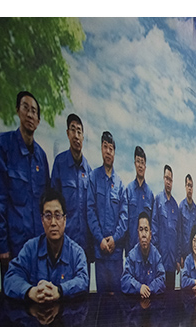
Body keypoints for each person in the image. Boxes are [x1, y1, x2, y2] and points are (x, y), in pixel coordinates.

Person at [0, 90, 50, 276]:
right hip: (13, 247)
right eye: (26, 108)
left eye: (34, 111)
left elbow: (46, 204)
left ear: (38, 121)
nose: (30, 115)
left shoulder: (41, 157)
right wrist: (1, 245)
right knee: (14, 292)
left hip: (39, 248)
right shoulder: (4, 144)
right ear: (18, 110)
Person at [3, 189, 89, 301]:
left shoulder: (76, 252)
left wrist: (60, 291)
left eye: (57, 215)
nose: (53, 223)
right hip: (36, 310)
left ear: (64, 220)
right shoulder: (30, 249)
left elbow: (83, 280)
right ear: (42, 220)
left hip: (66, 311)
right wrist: (30, 291)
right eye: (48, 216)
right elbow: (10, 278)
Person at [51, 114, 93, 270]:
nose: (76, 135)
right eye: (73, 130)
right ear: (68, 134)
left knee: (83, 283)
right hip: (64, 244)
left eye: (79, 132)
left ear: (83, 137)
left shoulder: (89, 171)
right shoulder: (60, 163)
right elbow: (53, 205)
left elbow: (91, 211)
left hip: (84, 247)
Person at [87, 131, 127, 293]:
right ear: (101, 149)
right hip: (100, 252)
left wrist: (114, 239)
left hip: (116, 255)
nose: (108, 151)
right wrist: (100, 239)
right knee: (101, 300)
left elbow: (124, 217)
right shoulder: (93, 177)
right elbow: (90, 211)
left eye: (111, 148)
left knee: (118, 299)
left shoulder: (120, 184)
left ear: (114, 152)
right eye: (105, 147)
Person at [121, 212, 165, 297]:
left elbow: (162, 280)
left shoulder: (156, 256)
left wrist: (148, 290)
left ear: (150, 235)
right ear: (138, 234)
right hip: (136, 301)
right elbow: (124, 281)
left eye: (146, 230)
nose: (144, 234)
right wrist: (139, 288)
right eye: (141, 230)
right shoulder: (132, 256)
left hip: (152, 300)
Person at [153, 165, 181, 290]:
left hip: (172, 263)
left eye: (170, 179)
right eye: (166, 178)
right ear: (163, 179)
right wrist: (155, 257)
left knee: (171, 297)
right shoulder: (158, 201)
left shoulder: (175, 205)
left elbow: (178, 235)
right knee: (159, 296)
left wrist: (178, 259)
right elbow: (154, 229)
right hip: (160, 262)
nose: (168, 182)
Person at [125, 146, 154, 253]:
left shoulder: (150, 194)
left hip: (146, 250)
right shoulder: (128, 190)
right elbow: (124, 220)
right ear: (134, 164)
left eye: (142, 162)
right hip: (131, 248)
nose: (140, 165)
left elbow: (152, 224)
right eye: (138, 162)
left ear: (145, 166)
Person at [179, 174, 196, 269]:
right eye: (188, 185)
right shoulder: (181, 207)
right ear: (185, 187)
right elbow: (179, 232)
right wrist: (179, 255)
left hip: (193, 255)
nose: (190, 188)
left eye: (191, 186)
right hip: (184, 256)